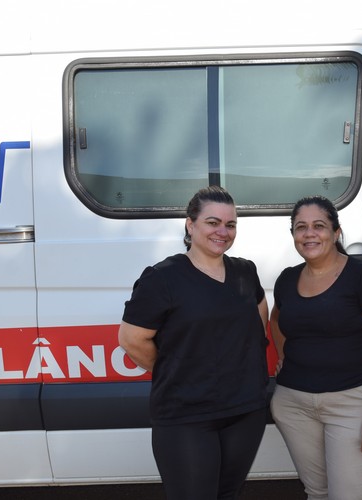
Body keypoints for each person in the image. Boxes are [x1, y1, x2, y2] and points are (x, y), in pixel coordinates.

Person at [118, 186, 269, 500]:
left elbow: (259, 319)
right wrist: (178, 368)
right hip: (186, 416)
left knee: (228, 493)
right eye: (213, 222)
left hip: (244, 411)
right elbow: (132, 339)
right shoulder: (162, 278)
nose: (222, 232)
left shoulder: (244, 271)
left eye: (230, 224)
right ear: (190, 225)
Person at [269, 195, 362, 500]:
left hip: (350, 404)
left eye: (319, 226)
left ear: (336, 232)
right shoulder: (287, 279)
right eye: (300, 227)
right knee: (317, 492)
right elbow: (276, 320)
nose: (309, 233)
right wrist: (286, 355)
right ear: (292, 235)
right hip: (293, 405)